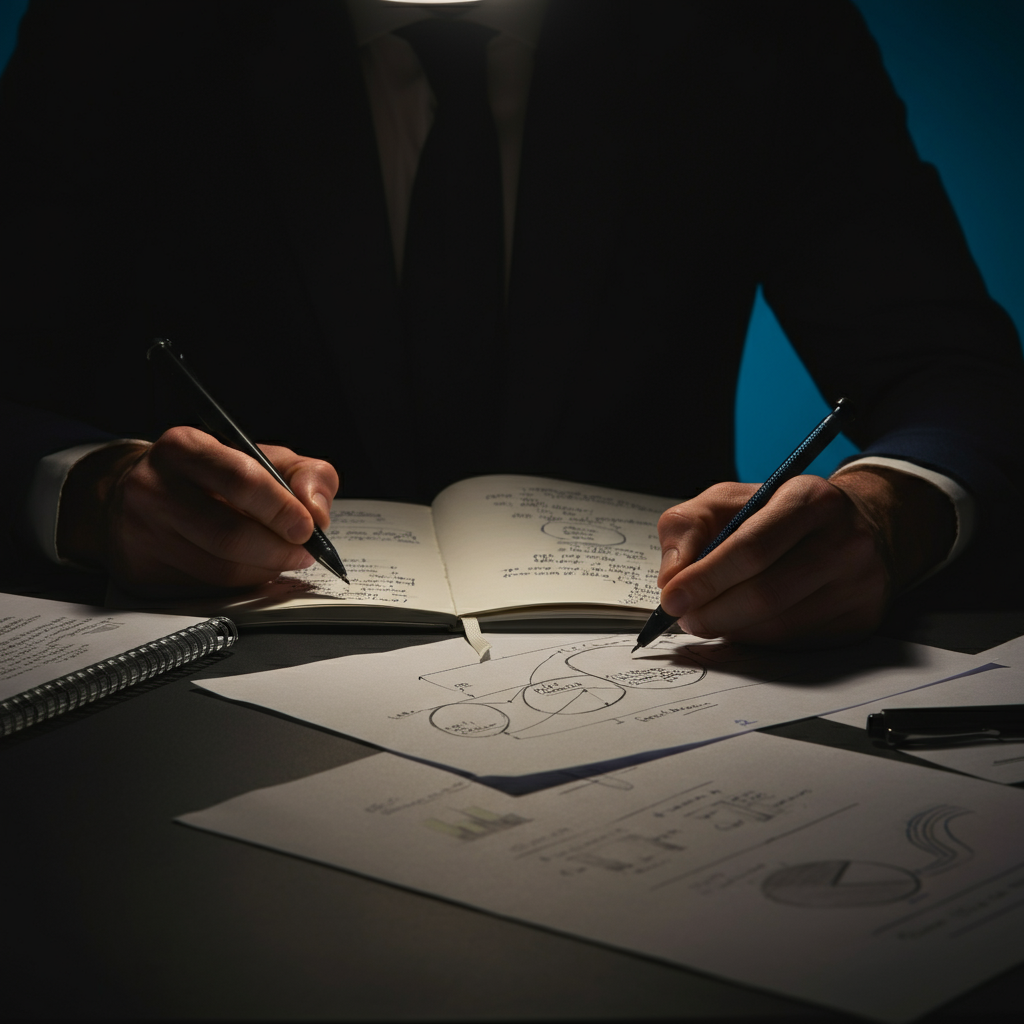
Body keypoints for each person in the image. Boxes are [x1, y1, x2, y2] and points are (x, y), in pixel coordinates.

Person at [1, 0, 1021, 646]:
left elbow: (953, 373)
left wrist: (889, 513)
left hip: (674, 682)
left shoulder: (755, 27)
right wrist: (93, 493)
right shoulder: (124, 29)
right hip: (196, 685)